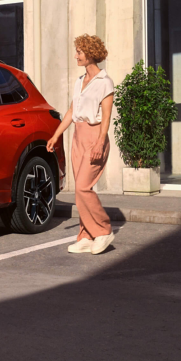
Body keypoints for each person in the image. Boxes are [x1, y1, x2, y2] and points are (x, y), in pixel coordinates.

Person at [46, 34, 115, 255]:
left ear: (91, 54)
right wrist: (56, 135)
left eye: (79, 52)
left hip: (95, 137)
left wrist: (100, 142)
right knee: (79, 189)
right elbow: (71, 111)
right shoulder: (79, 81)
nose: (76, 55)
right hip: (78, 137)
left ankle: (103, 230)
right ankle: (86, 236)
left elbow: (106, 117)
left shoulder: (105, 82)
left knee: (84, 187)